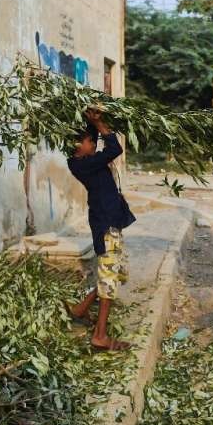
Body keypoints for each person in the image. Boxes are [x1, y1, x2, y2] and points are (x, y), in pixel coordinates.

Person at [64, 108, 136, 351]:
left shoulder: (86, 160)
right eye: (89, 141)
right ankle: (100, 335)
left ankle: (80, 309)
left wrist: (93, 122)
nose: (93, 144)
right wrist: (102, 125)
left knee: (117, 274)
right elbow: (115, 149)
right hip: (105, 226)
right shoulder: (81, 164)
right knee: (109, 281)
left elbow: (103, 145)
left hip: (110, 221)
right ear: (77, 144)